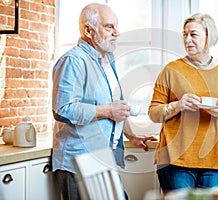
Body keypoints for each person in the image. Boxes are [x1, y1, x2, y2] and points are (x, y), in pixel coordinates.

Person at [52, 3, 157, 200]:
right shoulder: (73, 61)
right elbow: (63, 109)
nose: (117, 32)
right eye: (109, 27)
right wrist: (108, 111)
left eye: (116, 26)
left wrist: (131, 135)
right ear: (88, 30)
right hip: (77, 162)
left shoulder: (107, 59)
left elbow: (115, 105)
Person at [148, 13, 218, 194]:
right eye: (185, 34)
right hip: (175, 160)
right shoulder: (171, 70)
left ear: (209, 36)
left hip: (215, 159)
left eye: (193, 34)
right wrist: (177, 106)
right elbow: (153, 112)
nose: (187, 39)